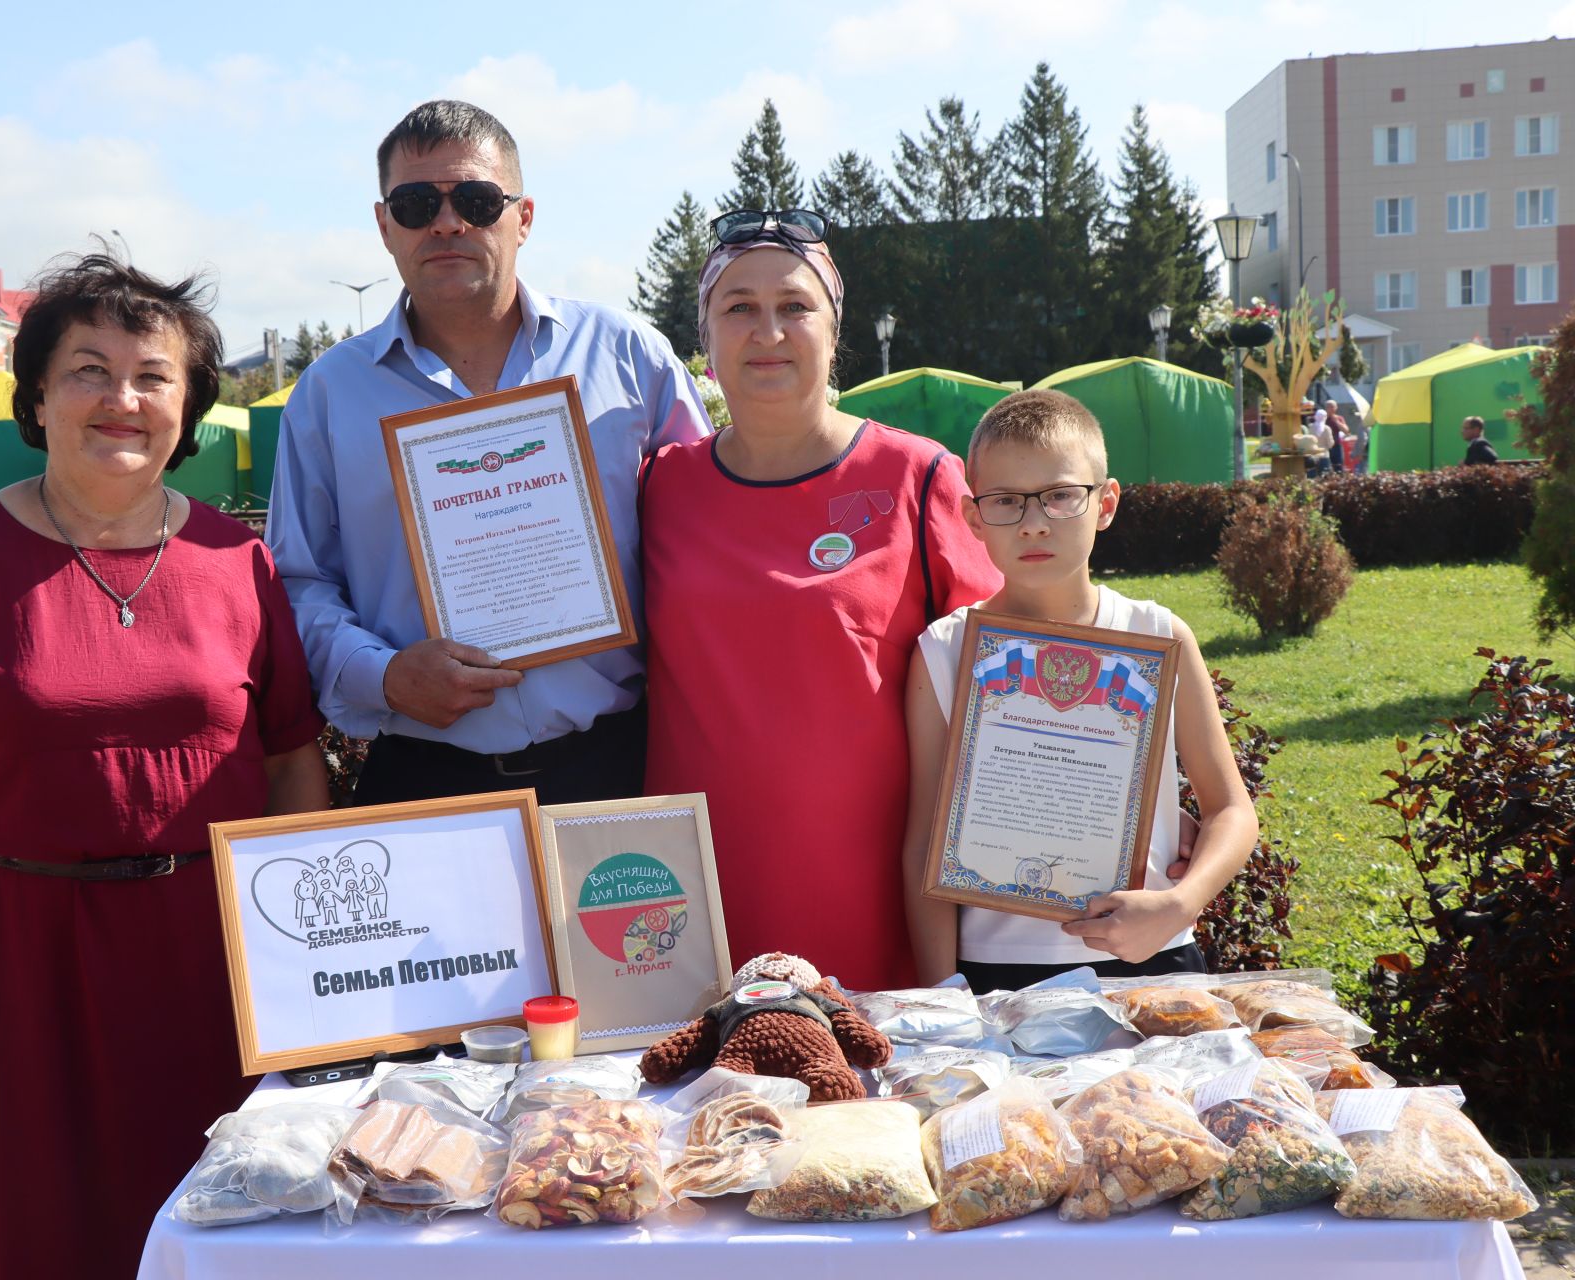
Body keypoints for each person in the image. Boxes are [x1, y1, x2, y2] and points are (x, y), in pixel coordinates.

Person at [0, 253, 330, 1280]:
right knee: (43, 1235)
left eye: (153, 375)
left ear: (186, 406)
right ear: (38, 395)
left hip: (214, 964)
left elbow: (289, 763)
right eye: (88, 370)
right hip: (19, 967)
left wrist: (309, 968)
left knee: (229, 1228)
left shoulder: (241, 564)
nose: (122, 398)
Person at [269, 100, 709, 807]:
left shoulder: (627, 356)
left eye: (475, 198)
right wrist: (381, 676)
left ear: (524, 217)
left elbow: (712, 534)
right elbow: (298, 583)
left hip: (622, 769)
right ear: (384, 226)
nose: (447, 223)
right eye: (416, 203)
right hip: (424, 781)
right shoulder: (326, 395)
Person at [641, 211, 1002, 992]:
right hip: (692, 905)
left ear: (833, 331)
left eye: (794, 306)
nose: (767, 330)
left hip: (877, 894)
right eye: (738, 307)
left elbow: (1009, 685)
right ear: (705, 338)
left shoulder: (919, 479)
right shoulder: (656, 486)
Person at [903, 390, 1259, 990]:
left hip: (1154, 956)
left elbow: (1231, 809)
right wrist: (945, 997)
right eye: (1007, 502)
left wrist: (1181, 905)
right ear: (973, 518)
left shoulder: (1158, 634)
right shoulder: (943, 652)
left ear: (1106, 503)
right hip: (996, 972)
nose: (1035, 522)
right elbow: (924, 845)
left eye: (1062, 495)